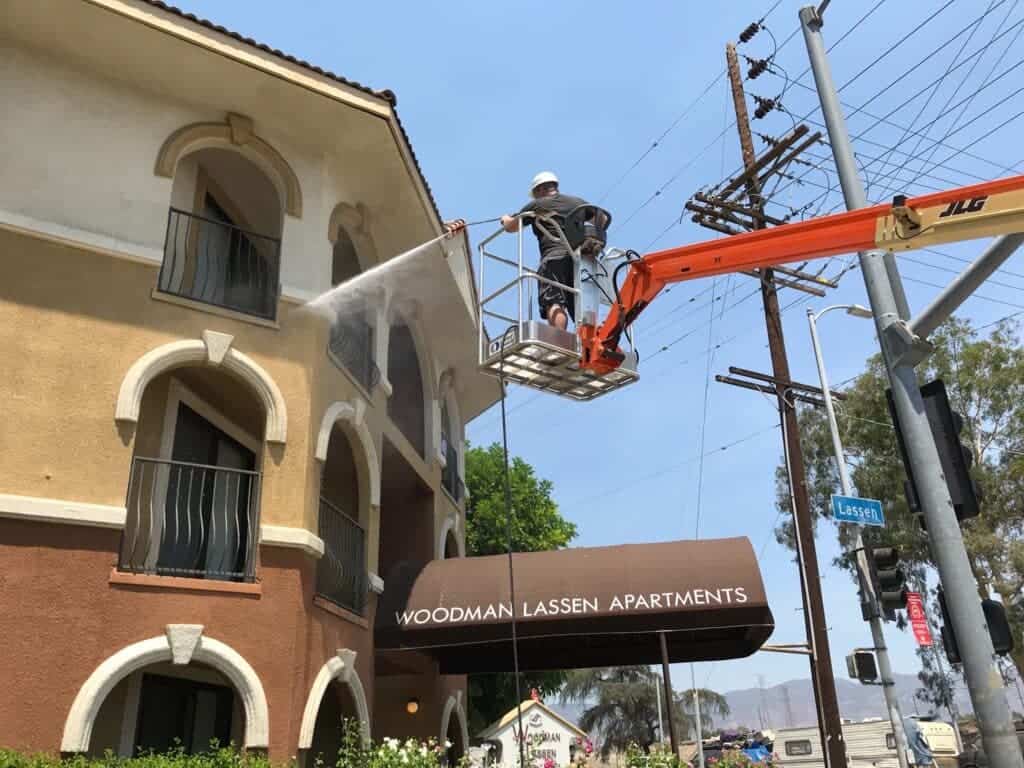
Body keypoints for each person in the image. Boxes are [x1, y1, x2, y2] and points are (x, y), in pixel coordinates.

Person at [500, 171, 590, 331]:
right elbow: (601, 218)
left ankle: (559, 341)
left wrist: (505, 219)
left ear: (540, 189)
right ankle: (586, 342)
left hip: (554, 258)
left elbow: (511, 227)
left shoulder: (538, 205)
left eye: (535, 193)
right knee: (581, 306)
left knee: (554, 301)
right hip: (580, 260)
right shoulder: (577, 202)